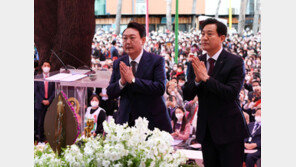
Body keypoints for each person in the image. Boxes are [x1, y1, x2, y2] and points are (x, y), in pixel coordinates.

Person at [183, 18, 249, 167]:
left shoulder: (235, 61)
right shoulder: (196, 61)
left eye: (210, 34)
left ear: (222, 38)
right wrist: (198, 81)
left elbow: (231, 93)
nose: (204, 37)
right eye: (203, 34)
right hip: (207, 131)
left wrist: (206, 78)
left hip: (229, 130)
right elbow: (187, 94)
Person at [106, 22, 172, 133]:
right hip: (126, 122)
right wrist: (122, 82)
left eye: (132, 38)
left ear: (143, 40)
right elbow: (110, 92)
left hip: (151, 122)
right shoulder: (119, 63)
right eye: (125, 38)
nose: (128, 42)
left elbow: (160, 88)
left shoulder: (156, 60)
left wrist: (133, 80)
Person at [34, 61, 55, 142]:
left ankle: (49, 139)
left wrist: (49, 100)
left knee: (50, 121)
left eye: (48, 65)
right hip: (40, 103)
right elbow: (36, 91)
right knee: (40, 122)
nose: (46, 67)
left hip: (49, 103)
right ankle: (41, 139)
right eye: (45, 65)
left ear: (50, 68)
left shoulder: (53, 78)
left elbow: (54, 91)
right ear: (42, 67)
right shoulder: (37, 77)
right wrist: (42, 100)